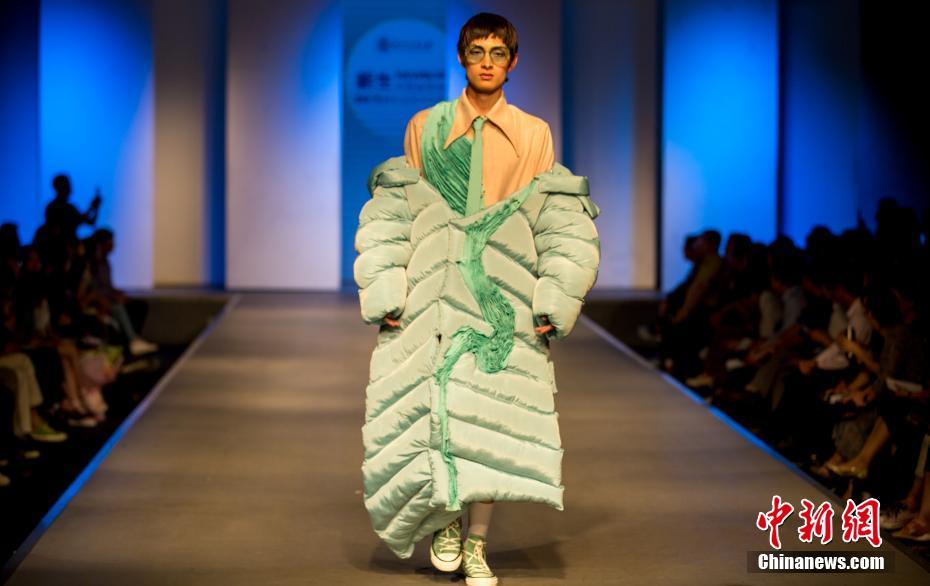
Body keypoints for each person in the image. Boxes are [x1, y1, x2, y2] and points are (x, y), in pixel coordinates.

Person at [355, 13, 601, 586]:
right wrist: (389, 288)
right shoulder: (426, 126)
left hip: (502, 289)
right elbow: (402, 211)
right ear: (462, 58)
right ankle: (445, 520)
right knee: (437, 408)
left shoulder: (534, 133)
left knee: (493, 421)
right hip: (435, 291)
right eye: (476, 52)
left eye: (497, 53)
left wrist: (553, 297)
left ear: (513, 62)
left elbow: (551, 216)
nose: (487, 62)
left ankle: (477, 544)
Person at [44, 174, 101, 242]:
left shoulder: (68, 208)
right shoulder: (55, 208)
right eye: (67, 185)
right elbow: (86, 221)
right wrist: (93, 207)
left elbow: (88, 221)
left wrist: (94, 207)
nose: (70, 188)